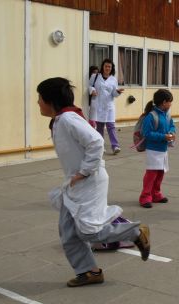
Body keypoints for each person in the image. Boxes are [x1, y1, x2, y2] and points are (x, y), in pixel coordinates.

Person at [37, 77, 150, 287]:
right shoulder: (62, 119)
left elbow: (96, 141)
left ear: (50, 100)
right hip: (75, 182)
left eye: (40, 98)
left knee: (88, 231)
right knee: (68, 231)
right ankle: (89, 272)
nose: (38, 103)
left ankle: (135, 232)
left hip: (89, 181)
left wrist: (85, 171)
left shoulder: (69, 119)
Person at [139, 89, 176, 208]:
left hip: (163, 149)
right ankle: (145, 197)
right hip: (153, 150)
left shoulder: (167, 114)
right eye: (170, 102)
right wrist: (163, 137)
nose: (170, 104)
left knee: (160, 172)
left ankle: (156, 194)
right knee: (151, 174)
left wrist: (171, 132)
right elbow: (147, 133)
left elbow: (172, 126)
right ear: (164, 102)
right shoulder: (151, 116)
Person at [89, 58, 124, 155]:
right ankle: (101, 146)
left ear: (111, 68)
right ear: (102, 67)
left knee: (111, 126)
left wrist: (117, 92)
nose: (107, 68)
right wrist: (92, 90)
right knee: (99, 127)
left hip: (109, 106)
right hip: (98, 104)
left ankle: (115, 146)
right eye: (106, 66)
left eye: (109, 66)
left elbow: (114, 94)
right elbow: (88, 86)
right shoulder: (95, 76)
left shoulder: (113, 79)